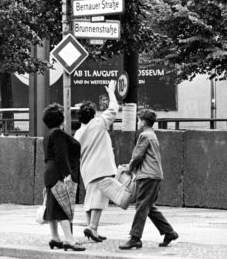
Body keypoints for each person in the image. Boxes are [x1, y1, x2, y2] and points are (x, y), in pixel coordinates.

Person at [119, 109, 178, 250]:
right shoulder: (152, 135)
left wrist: (129, 168)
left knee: (141, 206)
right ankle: (169, 232)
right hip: (155, 175)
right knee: (148, 207)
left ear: (143, 121)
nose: (138, 122)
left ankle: (135, 238)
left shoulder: (144, 135)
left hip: (147, 175)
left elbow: (138, 156)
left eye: (139, 120)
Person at [74, 80, 119, 243]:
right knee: (98, 199)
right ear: (93, 113)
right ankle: (92, 228)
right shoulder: (100, 123)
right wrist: (111, 92)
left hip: (87, 170)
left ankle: (92, 228)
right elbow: (114, 109)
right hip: (102, 168)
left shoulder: (78, 133)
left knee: (90, 200)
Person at [42, 103, 85, 252]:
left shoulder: (48, 134)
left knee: (52, 207)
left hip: (49, 172)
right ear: (60, 119)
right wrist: (67, 175)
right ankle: (69, 240)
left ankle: (55, 238)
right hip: (58, 173)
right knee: (63, 207)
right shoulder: (58, 133)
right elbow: (61, 156)